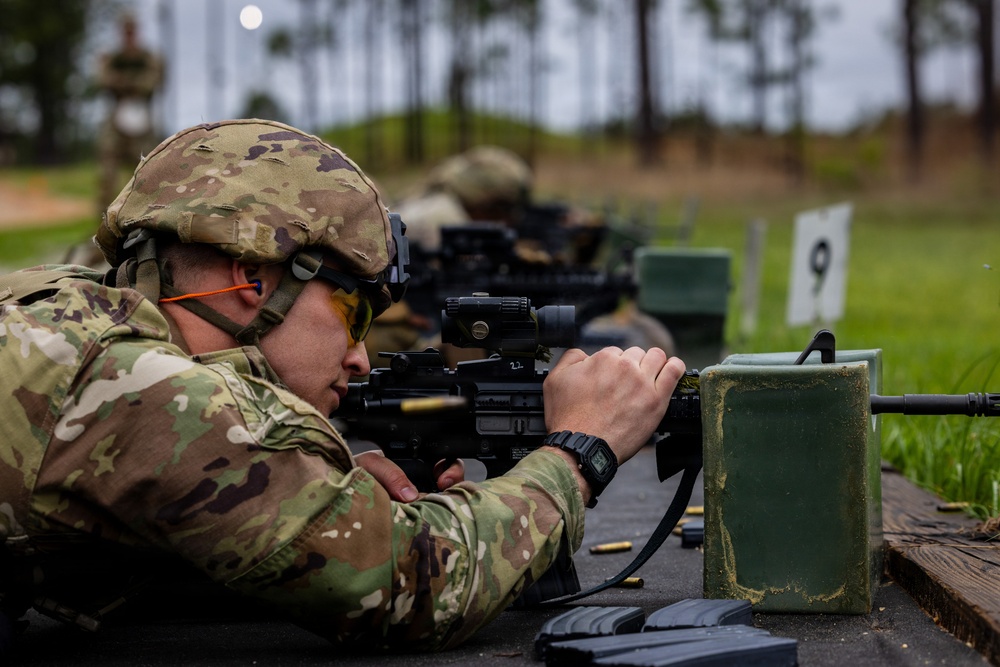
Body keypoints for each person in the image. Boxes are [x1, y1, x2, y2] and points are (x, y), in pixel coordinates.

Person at [0, 119, 685, 652]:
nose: (359, 357)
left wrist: (302, 493)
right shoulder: (152, 389)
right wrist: (580, 450)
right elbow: (409, 582)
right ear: (254, 279)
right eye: (354, 313)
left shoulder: (63, 310)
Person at [96, 12, 165, 215]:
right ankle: (104, 219)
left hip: (142, 121)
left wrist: (122, 82)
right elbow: (103, 79)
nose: (129, 35)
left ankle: (144, 216)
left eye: (131, 30)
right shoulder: (114, 58)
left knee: (146, 171)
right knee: (107, 170)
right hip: (117, 120)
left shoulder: (148, 58)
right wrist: (132, 83)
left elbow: (151, 82)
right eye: (126, 31)